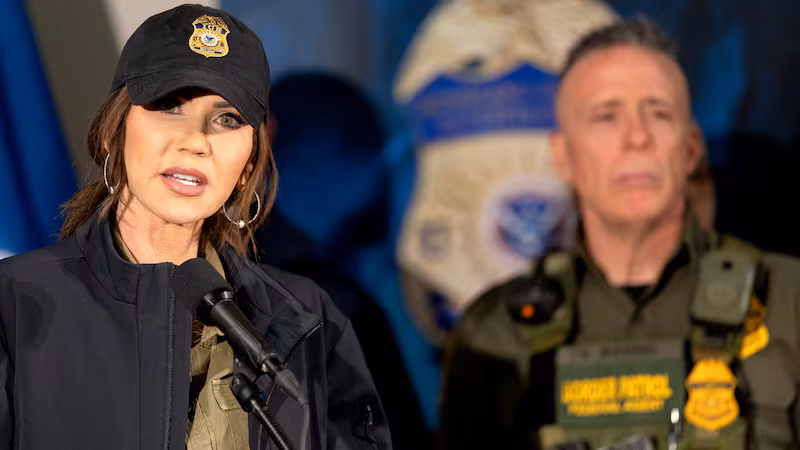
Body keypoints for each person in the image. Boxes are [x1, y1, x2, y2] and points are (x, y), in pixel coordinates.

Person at [0, 4, 390, 450]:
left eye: (227, 119)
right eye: (169, 105)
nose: (196, 140)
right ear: (113, 132)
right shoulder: (13, 304)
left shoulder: (308, 319)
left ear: (248, 165)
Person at [439, 18, 800, 450]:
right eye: (606, 117)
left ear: (690, 147)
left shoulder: (787, 302)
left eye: (659, 113)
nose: (637, 137)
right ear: (563, 155)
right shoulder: (494, 332)